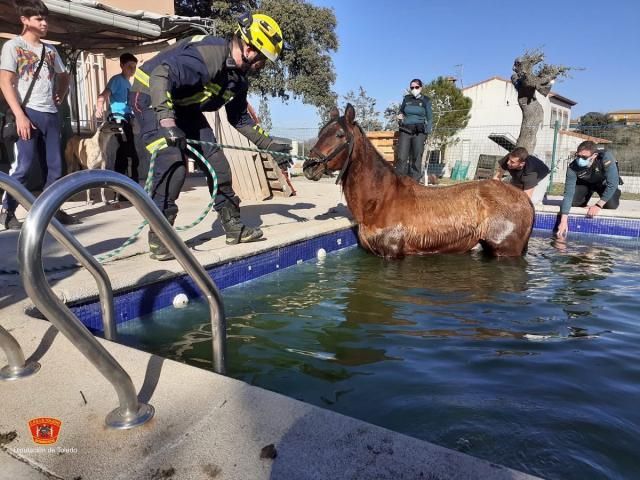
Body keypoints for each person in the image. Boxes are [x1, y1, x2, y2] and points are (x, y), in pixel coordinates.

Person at [129, 12, 292, 260]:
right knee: (172, 162)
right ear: (250, 48)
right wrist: (167, 120)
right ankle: (160, 239)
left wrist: (270, 147)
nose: (263, 66)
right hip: (151, 95)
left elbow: (239, 118)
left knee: (218, 164)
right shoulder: (209, 55)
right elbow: (161, 74)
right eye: (263, 59)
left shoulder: (237, 79)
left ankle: (233, 227)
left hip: (183, 106)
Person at [0, 0, 76, 230]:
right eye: (38, 19)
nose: (44, 23)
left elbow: (64, 77)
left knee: (55, 167)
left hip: (51, 114)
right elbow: (5, 81)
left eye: (45, 18)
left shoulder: (50, 50)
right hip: (27, 112)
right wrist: (19, 115)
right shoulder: (13, 46)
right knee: (24, 166)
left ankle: (50, 209)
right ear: (24, 20)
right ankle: (7, 210)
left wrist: (60, 96)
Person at [556, 140, 621, 239]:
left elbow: (613, 183)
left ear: (594, 155)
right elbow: (568, 193)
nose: (580, 159)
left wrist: (598, 205)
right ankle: (585, 201)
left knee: (612, 205)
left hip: (603, 184)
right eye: (578, 156)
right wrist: (563, 221)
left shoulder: (605, 158)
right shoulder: (573, 167)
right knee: (573, 203)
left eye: (584, 157)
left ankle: (612, 196)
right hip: (586, 185)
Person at [96, 52, 139, 189]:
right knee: (129, 154)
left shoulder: (128, 83)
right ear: (121, 66)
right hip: (118, 120)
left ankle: (123, 188)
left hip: (127, 120)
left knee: (127, 153)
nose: (132, 69)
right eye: (129, 66)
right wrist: (99, 107)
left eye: (134, 67)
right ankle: (122, 188)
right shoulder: (116, 80)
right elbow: (103, 95)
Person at [395, 79, 433, 183]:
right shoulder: (407, 99)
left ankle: (414, 182)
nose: (414, 89)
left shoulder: (426, 100)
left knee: (416, 157)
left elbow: (429, 118)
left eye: (416, 87)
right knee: (402, 157)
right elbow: (401, 111)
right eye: (412, 87)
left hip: (419, 132)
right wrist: (399, 116)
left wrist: (427, 133)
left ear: (421, 88)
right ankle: (399, 181)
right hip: (405, 130)